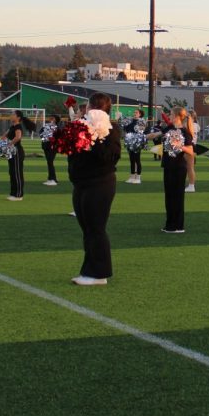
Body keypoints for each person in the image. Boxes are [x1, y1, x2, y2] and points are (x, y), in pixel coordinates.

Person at [69, 93, 123, 286]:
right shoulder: (80, 127)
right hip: (81, 182)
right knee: (87, 229)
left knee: (96, 228)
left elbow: (110, 156)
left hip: (100, 183)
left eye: (89, 107)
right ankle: (89, 270)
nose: (86, 110)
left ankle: (99, 274)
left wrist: (96, 136)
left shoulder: (111, 129)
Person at [149, 105, 192, 233]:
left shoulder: (185, 132)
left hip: (179, 167)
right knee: (169, 196)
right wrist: (143, 137)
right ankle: (170, 224)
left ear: (178, 116)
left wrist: (180, 146)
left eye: (171, 115)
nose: (169, 117)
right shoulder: (169, 127)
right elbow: (157, 134)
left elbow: (190, 151)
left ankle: (178, 226)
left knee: (177, 197)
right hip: (168, 165)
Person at [5, 110, 33, 201]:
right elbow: (4, 136)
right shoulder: (12, 126)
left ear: (18, 117)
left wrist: (9, 144)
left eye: (13, 114)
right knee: (12, 172)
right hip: (11, 151)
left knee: (17, 173)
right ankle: (13, 193)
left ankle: (19, 195)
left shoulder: (18, 126)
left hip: (16, 151)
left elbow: (18, 137)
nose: (11, 115)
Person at [124, 108, 146, 184]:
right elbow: (126, 129)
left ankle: (138, 177)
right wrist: (125, 122)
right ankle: (132, 176)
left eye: (136, 112)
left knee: (137, 159)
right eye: (134, 112)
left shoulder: (141, 121)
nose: (134, 113)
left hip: (137, 142)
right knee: (131, 160)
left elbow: (141, 131)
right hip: (130, 142)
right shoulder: (131, 120)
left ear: (140, 114)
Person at [41, 114, 61, 186]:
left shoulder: (57, 128)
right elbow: (41, 134)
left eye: (52, 118)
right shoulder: (46, 126)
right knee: (49, 162)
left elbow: (59, 137)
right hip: (46, 146)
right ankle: (50, 179)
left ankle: (53, 179)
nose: (50, 119)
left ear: (56, 120)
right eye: (50, 118)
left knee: (50, 162)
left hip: (52, 147)